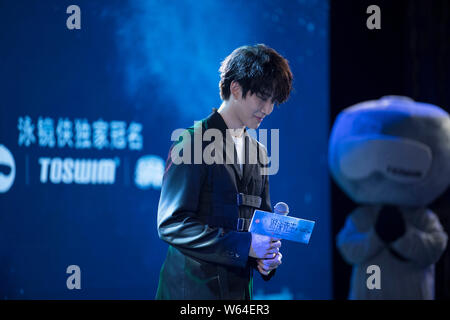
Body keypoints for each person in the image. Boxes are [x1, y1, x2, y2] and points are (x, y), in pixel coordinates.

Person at [156, 44, 293, 300]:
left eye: (273, 101)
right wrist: (247, 246)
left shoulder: (258, 152)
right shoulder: (193, 142)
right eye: (262, 97)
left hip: (238, 292)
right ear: (236, 88)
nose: (268, 109)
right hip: (191, 292)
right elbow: (171, 224)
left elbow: (257, 226)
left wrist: (265, 258)